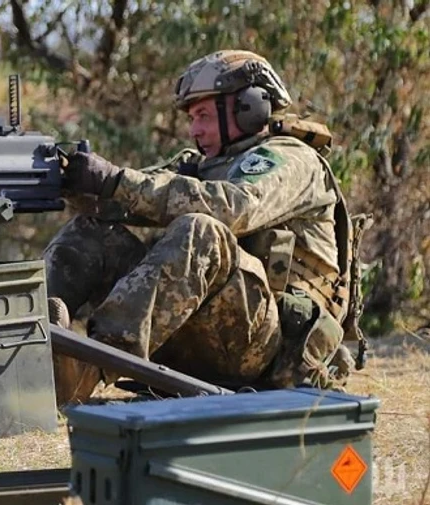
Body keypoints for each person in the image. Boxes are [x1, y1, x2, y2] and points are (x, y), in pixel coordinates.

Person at [46, 49, 365, 406]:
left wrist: (116, 180)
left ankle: (89, 368)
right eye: (191, 118)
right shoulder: (204, 165)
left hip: (268, 352)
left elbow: (234, 207)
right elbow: (132, 196)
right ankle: (30, 351)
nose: (194, 129)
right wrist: (75, 183)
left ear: (249, 108)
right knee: (88, 233)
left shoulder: (291, 158)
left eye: (203, 115)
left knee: (201, 229)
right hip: (204, 335)